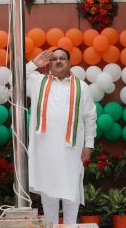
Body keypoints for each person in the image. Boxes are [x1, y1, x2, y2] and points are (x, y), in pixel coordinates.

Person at [26, 48, 97, 225]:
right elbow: (15, 80)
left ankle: (70, 225)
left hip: (71, 148)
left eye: (62, 58)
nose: (58, 61)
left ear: (70, 62)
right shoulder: (37, 82)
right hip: (45, 147)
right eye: (54, 59)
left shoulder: (82, 86)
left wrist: (89, 144)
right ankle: (50, 225)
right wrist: (34, 64)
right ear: (49, 63)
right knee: (48, 191)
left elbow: (90, 116)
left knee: (71, 189)